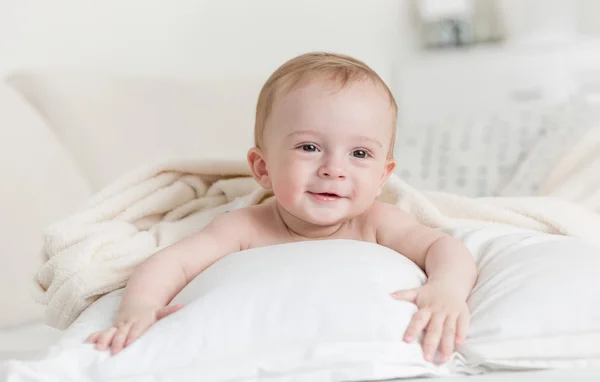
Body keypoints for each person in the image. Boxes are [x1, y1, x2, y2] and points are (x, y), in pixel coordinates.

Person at [86, 52, 478, 363]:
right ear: (263, 168)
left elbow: (444, 248)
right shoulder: (244, 227)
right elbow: (174, 262)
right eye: (309, 147)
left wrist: (446, 289)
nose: (333, 169)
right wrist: (140, 307)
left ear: (382, 177)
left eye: (359, 153)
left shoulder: (375, 223)